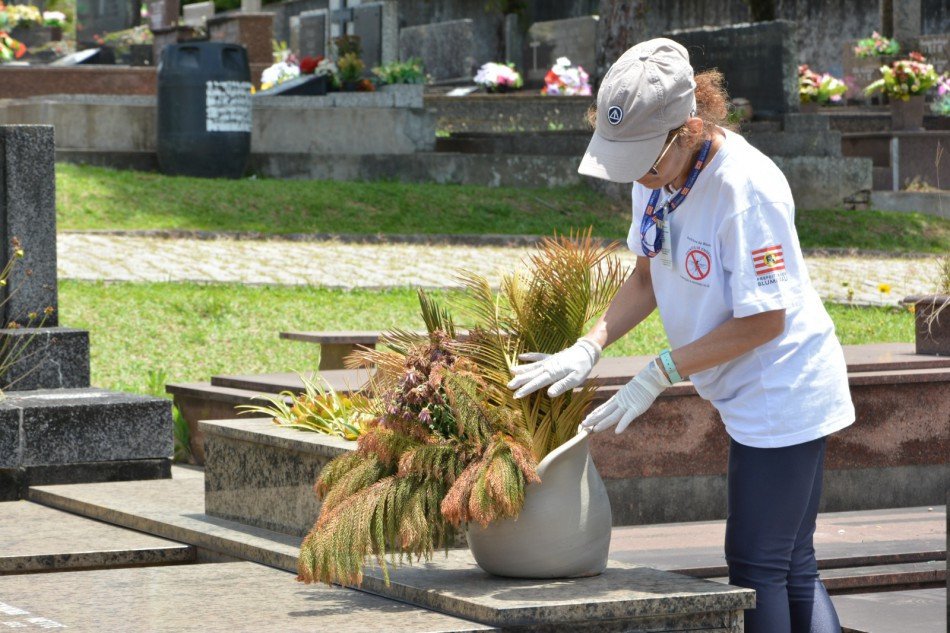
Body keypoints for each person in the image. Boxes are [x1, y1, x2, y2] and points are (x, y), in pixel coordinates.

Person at [506, 38, 854, 633]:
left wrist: (659, 371)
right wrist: (590, 345)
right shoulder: (657, 174)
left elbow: (766, 321)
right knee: (790, 563)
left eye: (645, 160)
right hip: (740, 387)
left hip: (783, 389)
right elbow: (646, 274)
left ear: (689, 127)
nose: (638, 175)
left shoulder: (746, 190)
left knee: (757, 569)